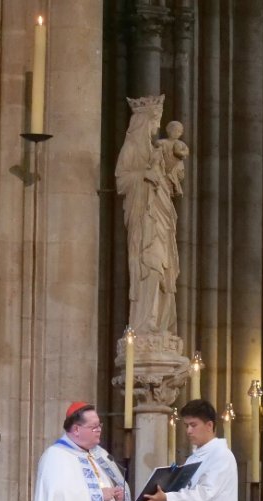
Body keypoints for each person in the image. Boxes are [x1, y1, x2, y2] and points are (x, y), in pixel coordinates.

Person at [115, 95, 182, 336]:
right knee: (150, 267)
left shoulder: (157, 152)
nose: (156, 128)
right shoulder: (131, 148)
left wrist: (171, 169)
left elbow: (172, 182)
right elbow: (121, 181)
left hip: (161, 219)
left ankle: (159, 322)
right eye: (154, 122)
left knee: (164, 272)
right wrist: (144, 175)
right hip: (143, 220)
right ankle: (145, 323)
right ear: (143, 122)